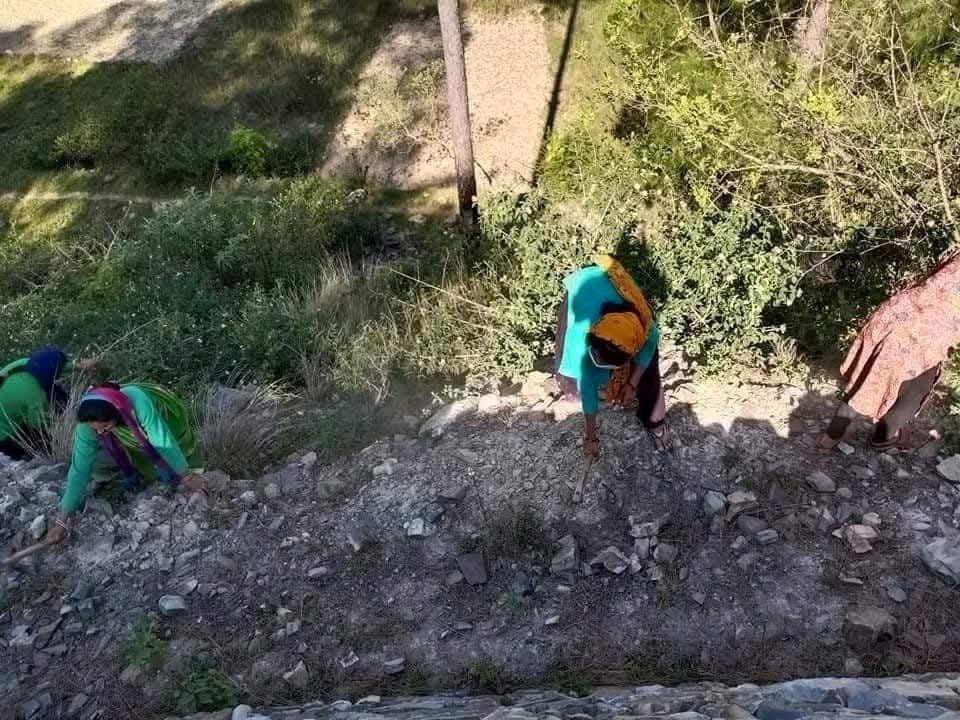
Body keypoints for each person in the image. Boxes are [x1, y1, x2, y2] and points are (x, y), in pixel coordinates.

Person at [817, 252, 960, 451]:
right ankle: (884, 437)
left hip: (895, 317)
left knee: (866, 381)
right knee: (916, 391)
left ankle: (829, 439)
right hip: (926, 335)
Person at [44, 382, 206, 544]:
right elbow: (80, 468)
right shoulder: (86, 424)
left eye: (105, 426)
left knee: (173, 449)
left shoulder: (137, 402)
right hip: (129, 426)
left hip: (163, 418)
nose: (100, 432)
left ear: (117, 413)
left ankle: (186, 466)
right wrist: (62, 520)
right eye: (96, 429)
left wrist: (187, 475)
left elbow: (161, 439)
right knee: (143, 460)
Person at [555, 255, 668, 457]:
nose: (596, 361)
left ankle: (655, 422)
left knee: (649, 373)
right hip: (584, 290)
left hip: (610, 287)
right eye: (595, 356)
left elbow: (647, 350)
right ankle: (571, 383)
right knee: (571, 378)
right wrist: (591, 438)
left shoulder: (643, 326)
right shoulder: (581, 340)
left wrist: (632, 383)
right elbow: (588, 390)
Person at [0, 346, 84, 461]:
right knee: (50, 450)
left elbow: (54, 366)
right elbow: (37, 424)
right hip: (5, 435)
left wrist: (79, 367)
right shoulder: (36, 395)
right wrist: (59, 423)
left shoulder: (24, 364)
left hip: (8, 415)